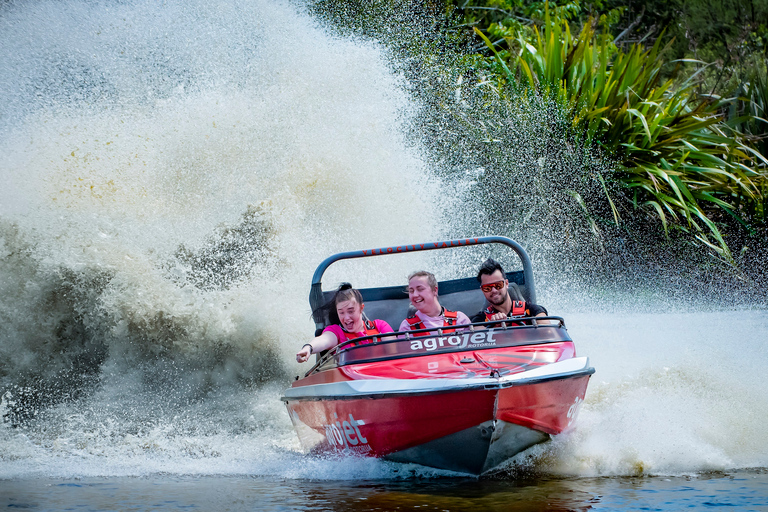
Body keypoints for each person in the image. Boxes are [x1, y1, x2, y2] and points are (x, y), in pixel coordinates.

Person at [296, 283, 393, 363]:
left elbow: (394, 351)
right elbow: (324, 340)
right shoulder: (336, 332)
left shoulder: (379, 326)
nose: (346, 318)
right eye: (341, 312)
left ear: (361, 308)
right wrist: (308, 348)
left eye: (351, 311)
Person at [470, 258, 550, 326]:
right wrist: (494, 329)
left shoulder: (533, 311)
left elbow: (550, 333)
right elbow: (475, 339)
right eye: (487, 288)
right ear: (482, 290)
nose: (494, 290)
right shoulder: (480, 321)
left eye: (498, 285)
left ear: (506, 284)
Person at [398, 271, 471, 336]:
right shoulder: (407, 327)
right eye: (411, 291)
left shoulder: (460, 319)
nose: (415, 295)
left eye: (420, 289)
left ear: (435, 290)